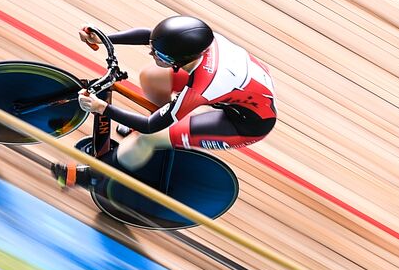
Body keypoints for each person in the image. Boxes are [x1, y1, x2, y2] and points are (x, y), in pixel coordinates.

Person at [68, 15, 277, 175]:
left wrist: (101, 108)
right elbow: (150, 37)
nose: (151, 53)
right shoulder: (197, 42)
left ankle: (97, 177)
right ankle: (170, 121)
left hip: (246, 124)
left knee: (146, 137)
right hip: (239, 91)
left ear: (180, 60)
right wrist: (104, 38)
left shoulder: (202, 86)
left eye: (158, 54)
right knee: (151, 76)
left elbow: (150, 126)